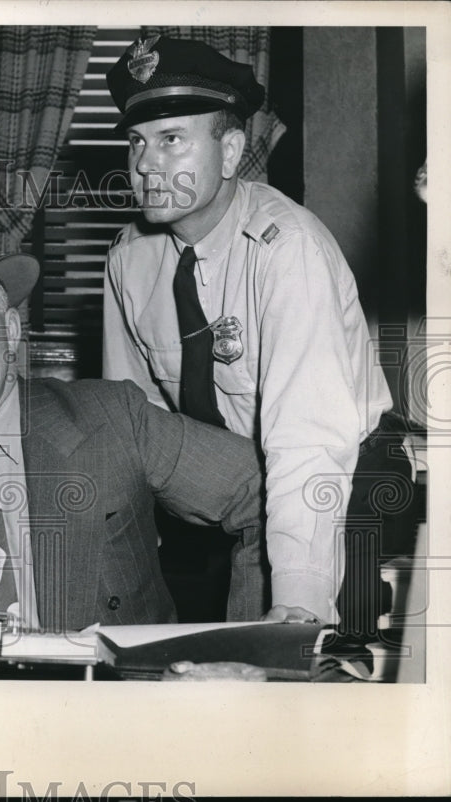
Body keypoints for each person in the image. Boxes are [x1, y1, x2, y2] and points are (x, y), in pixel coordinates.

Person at [0, 223, 309, 632]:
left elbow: (262, 491)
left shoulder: (112, 418)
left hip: (95, 712)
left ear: (12, 334)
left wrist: (250, 644)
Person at [101, 35, 412, 631]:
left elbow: (308, 438)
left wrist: (297, 595)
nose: (145, 165)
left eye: (172, 140)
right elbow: (130, 420)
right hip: (229, 471)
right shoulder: (128, 257)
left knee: (279, 653)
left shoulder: (286, 248)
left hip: (342, 467)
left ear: (232, 148)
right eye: (137, 142)